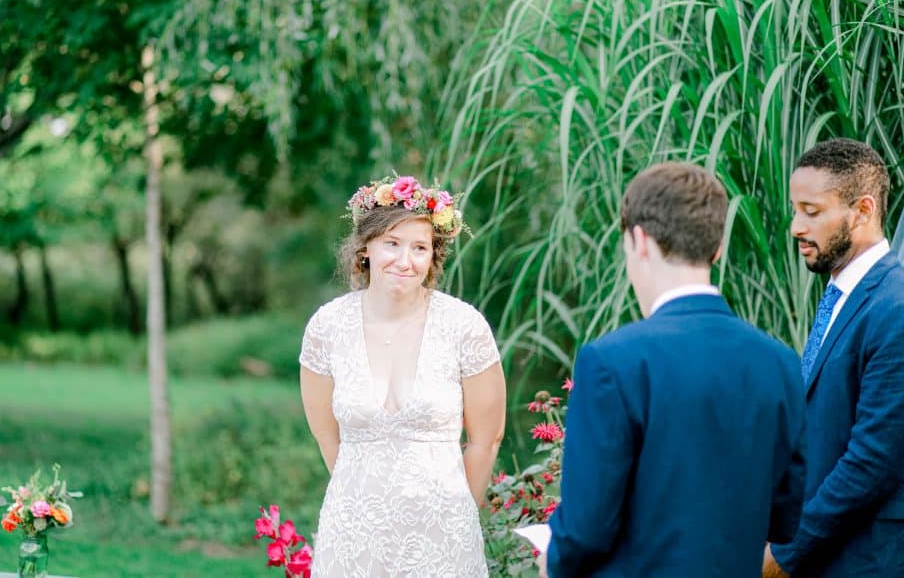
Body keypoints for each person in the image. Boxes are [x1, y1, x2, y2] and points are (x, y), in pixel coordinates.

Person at [540, 163, 806, 578]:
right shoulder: (779, 361)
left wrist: (550, 559)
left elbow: (584, 530)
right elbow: (787, 518)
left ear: (639, 240)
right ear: (717, 248)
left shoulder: (611, 361)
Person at [299, 175, 506, 577]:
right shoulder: (328, 327)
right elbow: (327, 436)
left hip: (443, 536)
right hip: (353, 534)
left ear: (433, 257)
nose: (404, 260)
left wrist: (455, 513)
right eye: (392, 244)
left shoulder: (464, 326)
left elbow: (487, 437)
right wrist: (366, 503)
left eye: (419, 248)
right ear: (366, 248)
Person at [764, 138, 904, 577]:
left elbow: (873, 461)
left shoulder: (895, 306)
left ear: (863, 210)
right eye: (794, 210)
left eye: (812, 211)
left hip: (867, 561)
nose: (795, 228)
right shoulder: (844, 295)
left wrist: (785, 554)